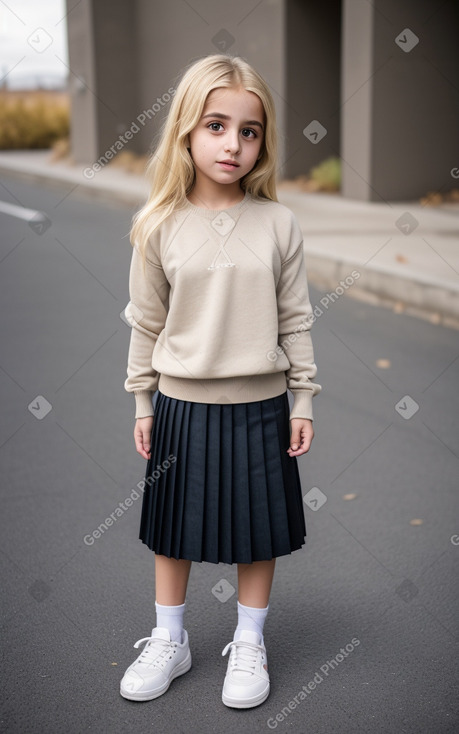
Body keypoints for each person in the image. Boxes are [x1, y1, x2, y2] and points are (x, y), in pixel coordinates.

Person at [120, 53, 322, 709]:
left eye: (249, 130)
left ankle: (249, 641)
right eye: (215, 125)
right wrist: (142, 402)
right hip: (180, 403)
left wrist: (304, 398)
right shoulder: (159, 224)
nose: (232, 143)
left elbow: (295, 319)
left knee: (256, 532)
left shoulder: (278, 224)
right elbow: (146, 323)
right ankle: (169, 638)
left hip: (262, 404)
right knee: (173, 530)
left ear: (262, 141)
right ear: (185, 129)